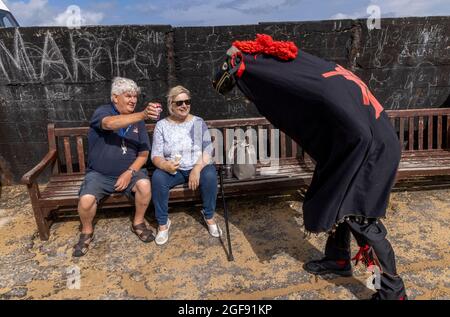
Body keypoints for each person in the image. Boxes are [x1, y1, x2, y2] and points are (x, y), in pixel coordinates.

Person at [213, 34, 407, 300]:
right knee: (335, 201)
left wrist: (348, 160)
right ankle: (337, 259)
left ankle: (392, 291)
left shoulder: (323, 83)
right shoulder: (322, 72)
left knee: (360, 218)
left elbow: (359, 134)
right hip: (368, 144)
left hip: (371, 152)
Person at [73, 77, 161, 257]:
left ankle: (138, 222)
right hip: (99, 174)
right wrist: (143, 114)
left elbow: (143, 154)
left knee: (145, 185)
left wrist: (129, 172)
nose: (133, 100)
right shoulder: (103, 112)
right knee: (86, 200)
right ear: (115, 97)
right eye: (128, 96)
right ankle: (87, 231)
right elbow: (109, 124)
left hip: (130, 173)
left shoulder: (138, 122)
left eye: (135, 97)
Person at [151, 85, 221, 245]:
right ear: (171, 105)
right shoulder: (162, 125)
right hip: (174, 169)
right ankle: (163, 224)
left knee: (210, 176)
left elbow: (208, 149)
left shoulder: (197, 122)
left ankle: (209, 216)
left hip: (197, 165)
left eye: (187, 101)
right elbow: (155, 155)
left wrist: (197, 168)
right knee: (158, 178)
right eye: (179, 102)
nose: (184, 105)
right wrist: (165, 165)